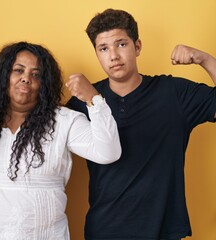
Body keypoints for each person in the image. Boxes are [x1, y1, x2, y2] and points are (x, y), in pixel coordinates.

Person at [66, 8, 216, 240]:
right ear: (96, 53)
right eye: (103, 48)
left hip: (162, 231)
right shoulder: (83, 100)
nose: (113, 55)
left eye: (121, 44)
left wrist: (204, 59)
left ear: (137, 47)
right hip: (104, 231)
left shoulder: (174, 93)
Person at [0, 41, 121, 240]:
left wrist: (93, 99)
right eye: (18, 70)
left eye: (36, 74)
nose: (26, 79)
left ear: (44, 84)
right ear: (3, 76)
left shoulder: (63, 121)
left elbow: (108, 153)